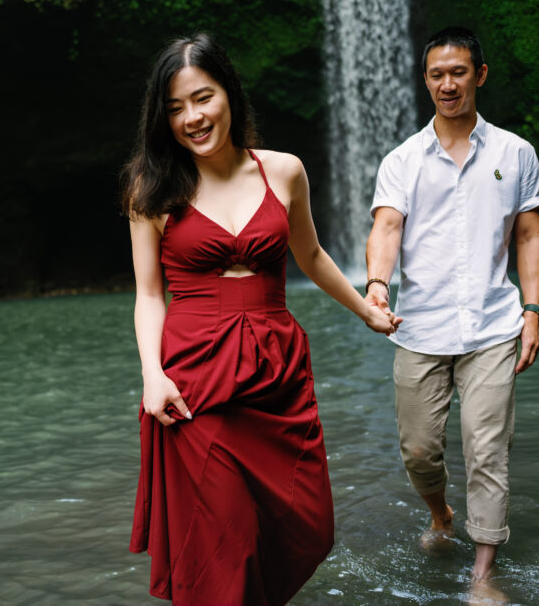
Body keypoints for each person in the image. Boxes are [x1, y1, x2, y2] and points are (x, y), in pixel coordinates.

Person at [122, 33, 398, 605]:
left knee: (310, 526)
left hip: (278, 368)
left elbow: (313, 257)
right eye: (174, 108)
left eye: (203, 98)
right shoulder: (151, 190)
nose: (192, 118)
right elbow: (150, 295)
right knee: (227, 542)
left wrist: (365, 311)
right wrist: (153, 374)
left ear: (230, 93)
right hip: (195, 381)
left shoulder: (284, 171)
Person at [365, 26, 539, 596]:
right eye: (437, 75)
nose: (448, 84)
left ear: (480, 75)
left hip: (494, 325)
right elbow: (387, 225)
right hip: (419, 328)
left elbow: (529, 234)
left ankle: (482, 574)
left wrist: (533, 310)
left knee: (488, 448)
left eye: (459, 72)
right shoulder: (402, 160)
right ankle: (441, 514)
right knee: (419, 451)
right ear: (426, 81)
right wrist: (376, 284)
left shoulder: (516, 153)